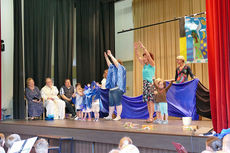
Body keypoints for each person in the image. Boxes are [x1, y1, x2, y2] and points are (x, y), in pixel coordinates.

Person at [134, 41, 156, 123]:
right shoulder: (144, 65)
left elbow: (149, 57)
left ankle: (151, 117)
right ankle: (150, 116)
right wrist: (136, 49)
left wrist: (143, 48)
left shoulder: (152, 64)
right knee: (147, 102)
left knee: (151, 101)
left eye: (145, 57)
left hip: (150, 84)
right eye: (144, 57)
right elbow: (138, 57)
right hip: (145, 84)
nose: (144, 58)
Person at [104, 50, 126, 121]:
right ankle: (110, 115)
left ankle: (118, 116)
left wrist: (110, 55)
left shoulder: (121, 68)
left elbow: (116, 63)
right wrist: (106, 58)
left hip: (117, 88)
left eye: (115, 63)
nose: (114, 64)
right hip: (111, 89)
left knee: (117, 102)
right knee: (111, 103)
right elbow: (109, 65)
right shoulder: (113, 69)